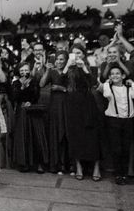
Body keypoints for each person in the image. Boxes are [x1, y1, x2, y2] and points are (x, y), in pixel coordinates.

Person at [63, 45, 102, 181]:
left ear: (84, 54)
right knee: (76, 135)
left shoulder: (90, 67)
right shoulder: (69, 68)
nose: (76, 55)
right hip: (73, 105)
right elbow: (61, 82)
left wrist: (84, 68)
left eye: (79, 53)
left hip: (87, 104)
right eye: (73, 53)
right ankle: (78, 165)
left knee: (92, 136)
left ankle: (96, 166)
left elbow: (93, 83)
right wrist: (67, 65)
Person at [99, 65, 134, 185]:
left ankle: (124, 173)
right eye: (112, 74)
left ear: (123, 76)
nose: (115, 76)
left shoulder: (129, 88)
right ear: (109, 77)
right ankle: (118, 173)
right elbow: (106, 94)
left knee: (126, 148)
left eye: (117, 73)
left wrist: (132, 83)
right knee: (116, 148)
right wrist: (107, 83)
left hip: (128, 120)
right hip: (114, 120)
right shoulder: (109, 88)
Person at [12, 62, 47, 173]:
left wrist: (30, 101)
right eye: (21, 70)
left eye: (26, 70)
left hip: (33, 111)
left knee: (36, 137)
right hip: (21, 112)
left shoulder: (34, 81)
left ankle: (39, 164)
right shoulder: (16, 83)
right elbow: (14, 97)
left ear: (30, 70)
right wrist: (22, 87)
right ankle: (24, 163)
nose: (24, 72)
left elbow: (36, 95)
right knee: (23, 137)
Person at [40, 51, 69, 174]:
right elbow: (41, 84)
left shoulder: (69, 72)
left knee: (65, 133)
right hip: (54, 106)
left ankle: (66, 165)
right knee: (55, 134)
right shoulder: (52, 72)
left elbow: (72, 89)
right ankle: (55, 165)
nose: (59, 61)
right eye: (57, 59)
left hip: (66, 105)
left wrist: (60, 88)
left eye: (62, 59)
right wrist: (47, 70)